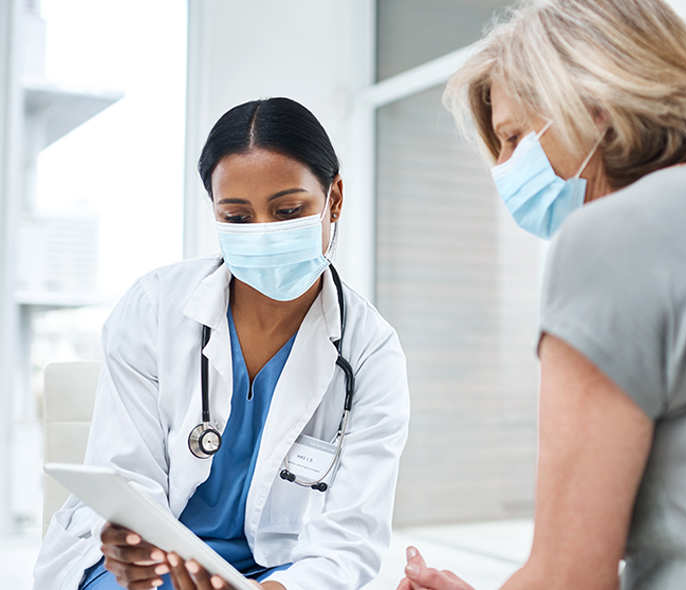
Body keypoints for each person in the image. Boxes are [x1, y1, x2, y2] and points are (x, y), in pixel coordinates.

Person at [398, 0, 686, 589]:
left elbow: (571, 581)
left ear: (597, 108)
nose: (502, 167)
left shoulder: (610, 238)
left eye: (512, 137)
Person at [34, 97, 410, 590]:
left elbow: (349, 539)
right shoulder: (154, 308)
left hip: (283, 576)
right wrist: (131, 547)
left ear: (334, 199)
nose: (264, 233)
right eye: (236, 218)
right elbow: (128, 482)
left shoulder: (370, 354)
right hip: (156, 572)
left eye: (288, 210)